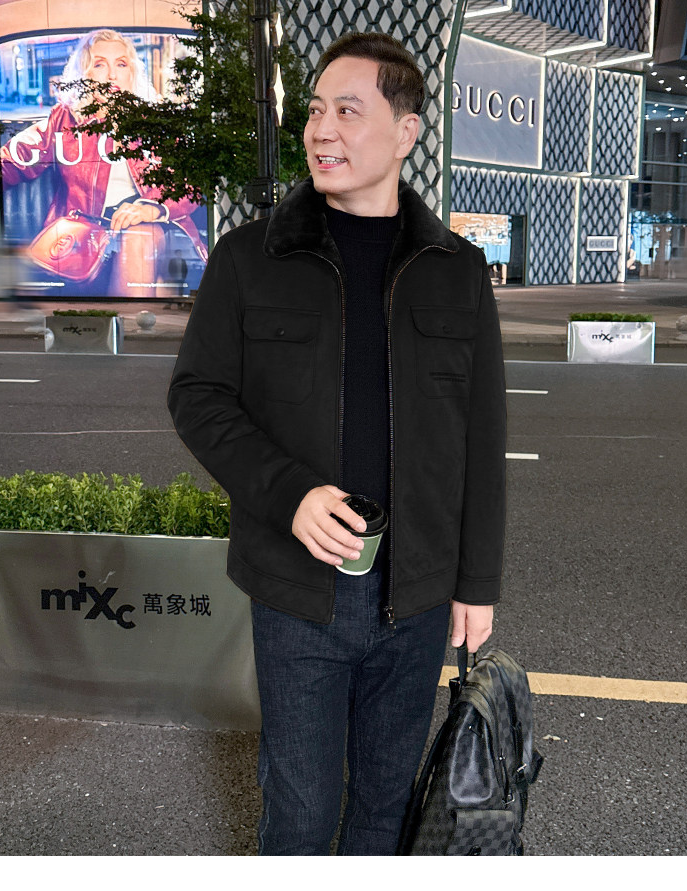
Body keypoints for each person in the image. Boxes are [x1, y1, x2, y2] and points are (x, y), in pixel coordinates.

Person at [167, 32, 506, 856]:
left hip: (416, 594)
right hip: (297, 592)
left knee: (386, 808)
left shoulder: (457, 270)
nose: (322, 129)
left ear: (406, 131)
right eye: (316, 110)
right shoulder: (250, 259)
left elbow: (482, 436)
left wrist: (476, 583)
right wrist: (290, 494)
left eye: (347, 111)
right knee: (301, 811)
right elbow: (198, 396)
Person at [0, 28, 207, 297]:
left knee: (138, 237)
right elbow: (7, 164)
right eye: (99, 65)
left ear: (131, 72)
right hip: (85, 237)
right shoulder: (64, 120)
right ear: (84, 74)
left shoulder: (157, 122)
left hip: (151, 229)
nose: (112, 75)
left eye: (121, 64)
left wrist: (151, 207)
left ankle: (130, 319)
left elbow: (189, 182)